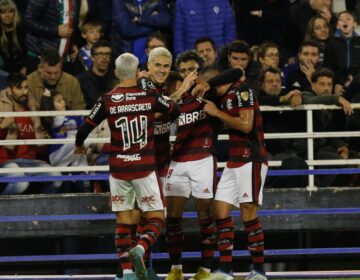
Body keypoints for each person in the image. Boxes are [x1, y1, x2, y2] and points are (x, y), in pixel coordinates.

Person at [75, 52, 180, 280]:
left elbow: (85, 127)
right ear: (136, 72)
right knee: (156, 218)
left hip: (119, 169)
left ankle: (127, 273)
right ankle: (141, 248)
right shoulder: (149, 96)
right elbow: (175, 110)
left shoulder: (107, 99)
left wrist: (78, 145)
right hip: (144, 167)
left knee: (123, 222)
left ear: (115, 73)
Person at [201, 77, 268, 280]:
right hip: (234, 160)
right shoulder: (224, 99)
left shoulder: (242, 90)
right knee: (219, 211)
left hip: (251, 158)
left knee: (248, 212)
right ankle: (226, 270)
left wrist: (216, 113)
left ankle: (259, 271)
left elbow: (247, 126)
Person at [0, 73, 62, 195]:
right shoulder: (3, 112)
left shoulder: (34, 114)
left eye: (26, 87)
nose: (24, 92)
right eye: (19, 88)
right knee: (20, 183)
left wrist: (44, 141)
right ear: (10, 90)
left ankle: (39, 210)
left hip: (31, 161)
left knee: (57, 178)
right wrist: (2, 127)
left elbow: (41, 151)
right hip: (6, 161)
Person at [40, 89, 91, 192]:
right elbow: (56, 123)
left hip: (76, 155)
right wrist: (48, 98)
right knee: (75, 141)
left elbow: (84, 129)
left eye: (62, 100)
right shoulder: (51, 119)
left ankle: (82, 174)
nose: (63, 102)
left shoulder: (73, 115)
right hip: (58, 154)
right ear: (51, 106)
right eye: (58, 101)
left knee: (83, 139)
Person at [24, 0, 80, 73]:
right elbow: (28, 21)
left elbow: (71, 22)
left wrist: (71, 43)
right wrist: (55, 31)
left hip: (65, 60)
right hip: (40, 56)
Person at [112, 0, 171, 64]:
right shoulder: (119, 1)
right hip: (130, 54)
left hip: (155, 55)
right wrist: (154, 26)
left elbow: (165, 20)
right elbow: (126, 29)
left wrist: (140, 19)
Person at [324, 10, 360, 94]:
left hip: (357, 80)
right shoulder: (331, 42)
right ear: (337, 26)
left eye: (348, 18)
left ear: (354, 24)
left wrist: (352, 78)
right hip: (337, 83)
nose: (344, 21)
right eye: (341, 19)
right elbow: (328, 66)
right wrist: (340, 82)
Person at [77, 40, 117, 109]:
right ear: (92, 57)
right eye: (100, 54)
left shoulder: (117, 77)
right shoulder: (81, 80)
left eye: (107, 54)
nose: (104, 57)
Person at [0, 0, 26, 74]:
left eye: (10, 11)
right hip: (5, 71)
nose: (7, 15)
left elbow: (27, 53)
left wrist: (25, 67)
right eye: (3, 12)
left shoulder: (22, 29)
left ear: (15, 13)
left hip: (24, 69)